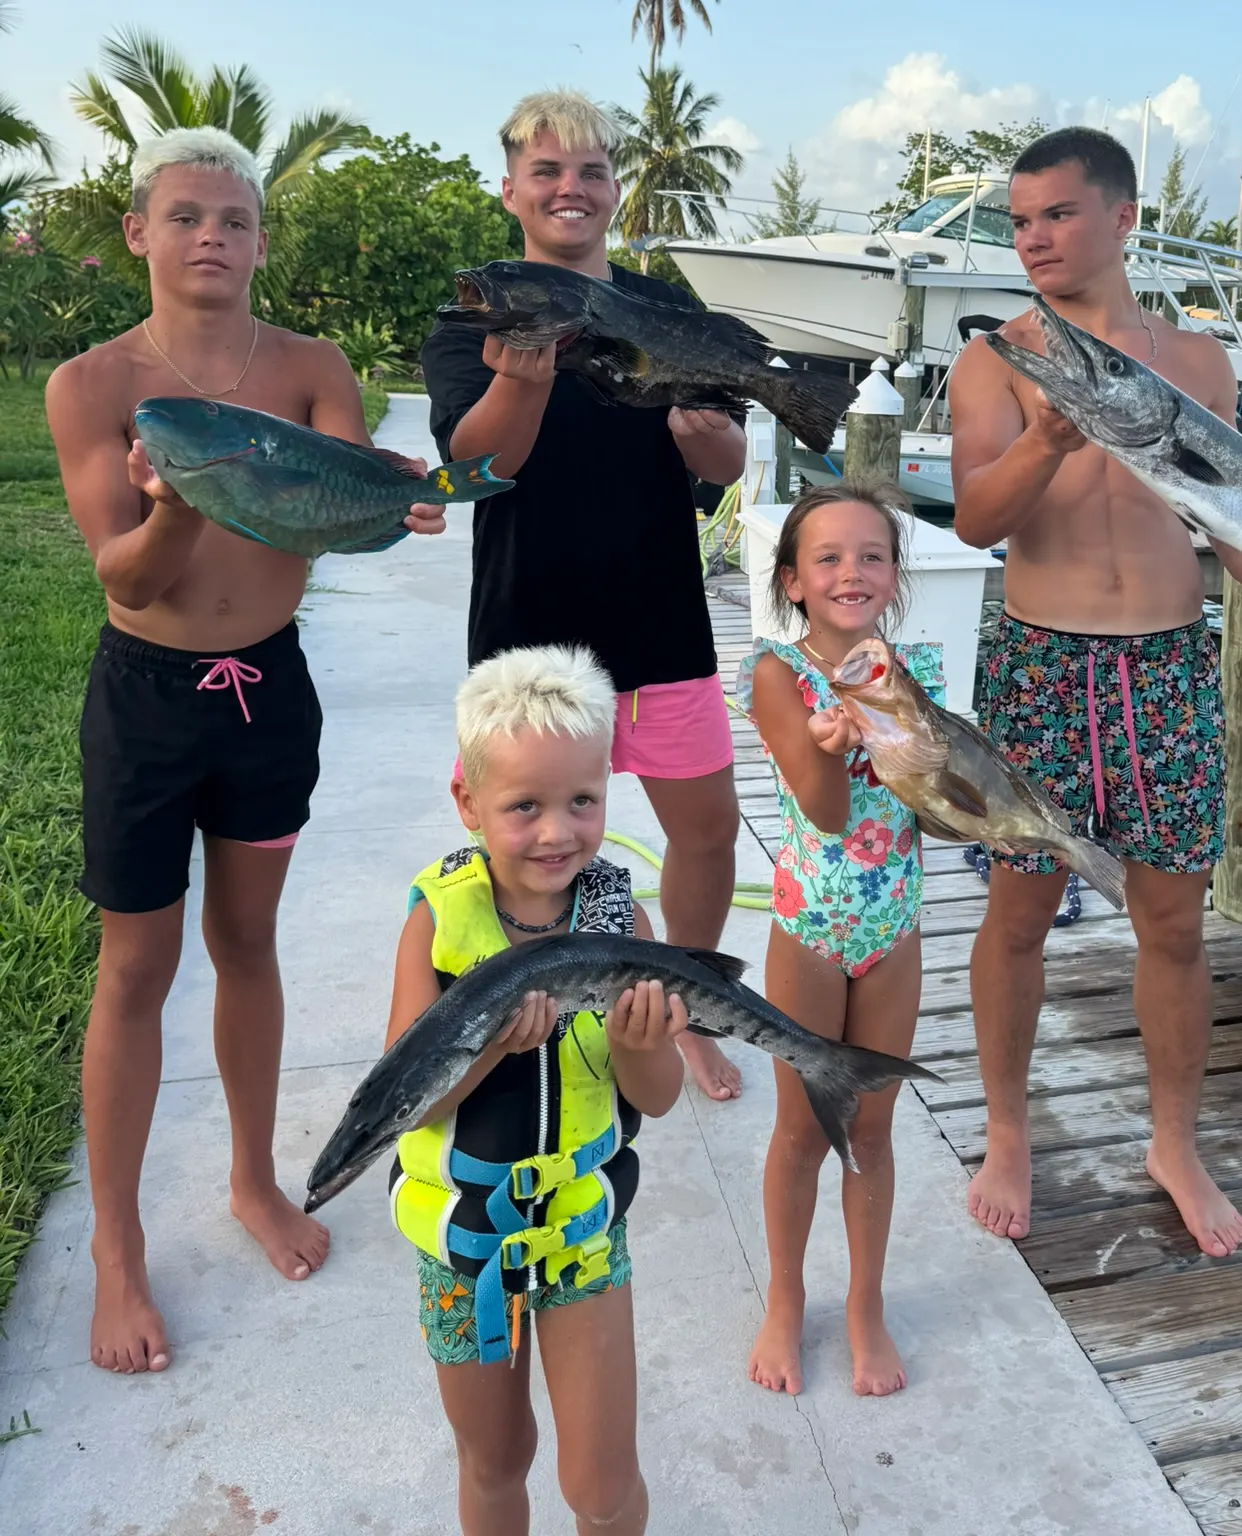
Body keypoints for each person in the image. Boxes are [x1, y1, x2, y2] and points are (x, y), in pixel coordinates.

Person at [45, 127, 448, 1375]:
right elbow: (125, 572)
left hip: (268, 691)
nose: (210, 235)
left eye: (233, 218)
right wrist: (175, 501)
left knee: (249, 944)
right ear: (140, 233)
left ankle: (253, 1180)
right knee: (137, 966)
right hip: (148, 699)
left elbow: (338, 503)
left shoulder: (313, 363)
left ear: (261, 242)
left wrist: (401, 499)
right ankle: (118, 1249)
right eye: (185, 216)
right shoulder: (95, 387)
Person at [948, 127, 1242, 1258]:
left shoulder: (1200, 363)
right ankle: (1005, 1128)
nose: (1035, 238)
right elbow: (980, 520)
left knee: (1175, 925)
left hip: (1169, 665)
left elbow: (1228, 522)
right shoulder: (996, 358)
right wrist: (1046, 438)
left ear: (1123, 218)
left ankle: (1174, 1143)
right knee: (1020, 912)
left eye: (1058, 214)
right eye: (1021, 219)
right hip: (1042, 662)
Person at [421, 89, 748, 1104]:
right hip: (530, 645)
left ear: (617, 189)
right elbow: (478, 468)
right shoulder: (469, 316)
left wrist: (717, 448)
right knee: (528, 846)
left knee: (708, 833)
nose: (573, 188)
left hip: (662, 631)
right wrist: (519, 379)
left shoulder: (669, 314)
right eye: (549, 171)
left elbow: (724, 458)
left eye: (593, 171)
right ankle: (517, 1013)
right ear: (512, 188)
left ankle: (678, 1009)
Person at [386, 644, 685, 1536]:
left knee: (601, 1482)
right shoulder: (437, 925)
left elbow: (659, 1097)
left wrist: (641, 1045)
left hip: (584, 1237)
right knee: (495, 1459)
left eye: (582, 801)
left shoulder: (620, 921)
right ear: (468, 802)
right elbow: (407, 1096)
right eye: (524, 807)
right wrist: (485, 1050)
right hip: (462, 1244)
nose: (558, 831)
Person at [737, 481, 942, 1398]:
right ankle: (786, 1299)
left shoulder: (916, 670)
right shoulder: (776, 675)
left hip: (894, 929)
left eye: (872, 556)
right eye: (828, 558)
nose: (851, 572)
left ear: (894, 577)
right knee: (801, 1132)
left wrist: (916, 749)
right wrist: (825, 749)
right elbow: (822, 816)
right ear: (793, 581)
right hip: (811, 931)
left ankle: (866, 1305)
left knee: (874, 1129)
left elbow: (932, 811)